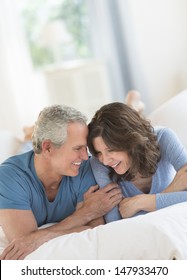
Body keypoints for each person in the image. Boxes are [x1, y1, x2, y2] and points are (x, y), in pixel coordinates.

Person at [0, 104, 122, 260]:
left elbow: (94, 228)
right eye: (78, 148)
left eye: (86, 148)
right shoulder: (9, 177)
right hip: (27, 161)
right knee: (24, 150)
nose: (86, 156)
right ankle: (27, 136)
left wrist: (41, 236)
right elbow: (25, 243)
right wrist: (86, 213)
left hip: (41, 158)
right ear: (48, 148)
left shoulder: (85, 168)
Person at [87, 102, 187, 223]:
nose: (106, 160)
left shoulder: (163, 137)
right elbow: (115, 222)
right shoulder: (98, 164)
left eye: (111, 150)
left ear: (130, 142)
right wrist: (171, 193)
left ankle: (134, 102)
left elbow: (126, 214)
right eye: (99, 152)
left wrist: (141, 203)